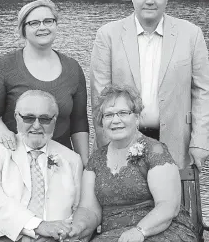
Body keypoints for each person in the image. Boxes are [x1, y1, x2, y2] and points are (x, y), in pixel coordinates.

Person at [90, 0, 209, 170]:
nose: (149, 0)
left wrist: (200, 141)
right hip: (121, 140)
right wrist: (107, 143)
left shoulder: (191, 35)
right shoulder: (108, 35)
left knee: (173, 201)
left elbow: (203, 92)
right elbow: (99, 96)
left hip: (176, 142)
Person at [67, 85, 197, 242]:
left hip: (160, 231)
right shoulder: (96, 160)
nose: (115, 120)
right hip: (113, 236)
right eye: (108, 115)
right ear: (102, 121)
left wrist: (140, 231)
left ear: (136, 117)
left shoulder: (155, 151)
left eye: (123, 113)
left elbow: (168, 206)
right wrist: (78, 227)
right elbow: (88, 209)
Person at [0, 0, 89, 167]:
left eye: (48, 21)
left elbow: (79, 121)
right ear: (23, 29)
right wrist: (2, 131)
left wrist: (84, 163)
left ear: (56, 25)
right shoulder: (4, 66)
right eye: (34, 23)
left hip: (60, 163)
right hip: (15, 160)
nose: (42, 27)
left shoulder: (73, 68)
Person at [0, 90, 83, 242]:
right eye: (28, 118)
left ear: (54, 120)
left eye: (45, 119)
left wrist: (60, 234)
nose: (36, 125)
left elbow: (78, 210)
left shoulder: (72, 160)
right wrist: (38, 226)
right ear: (17, 117)